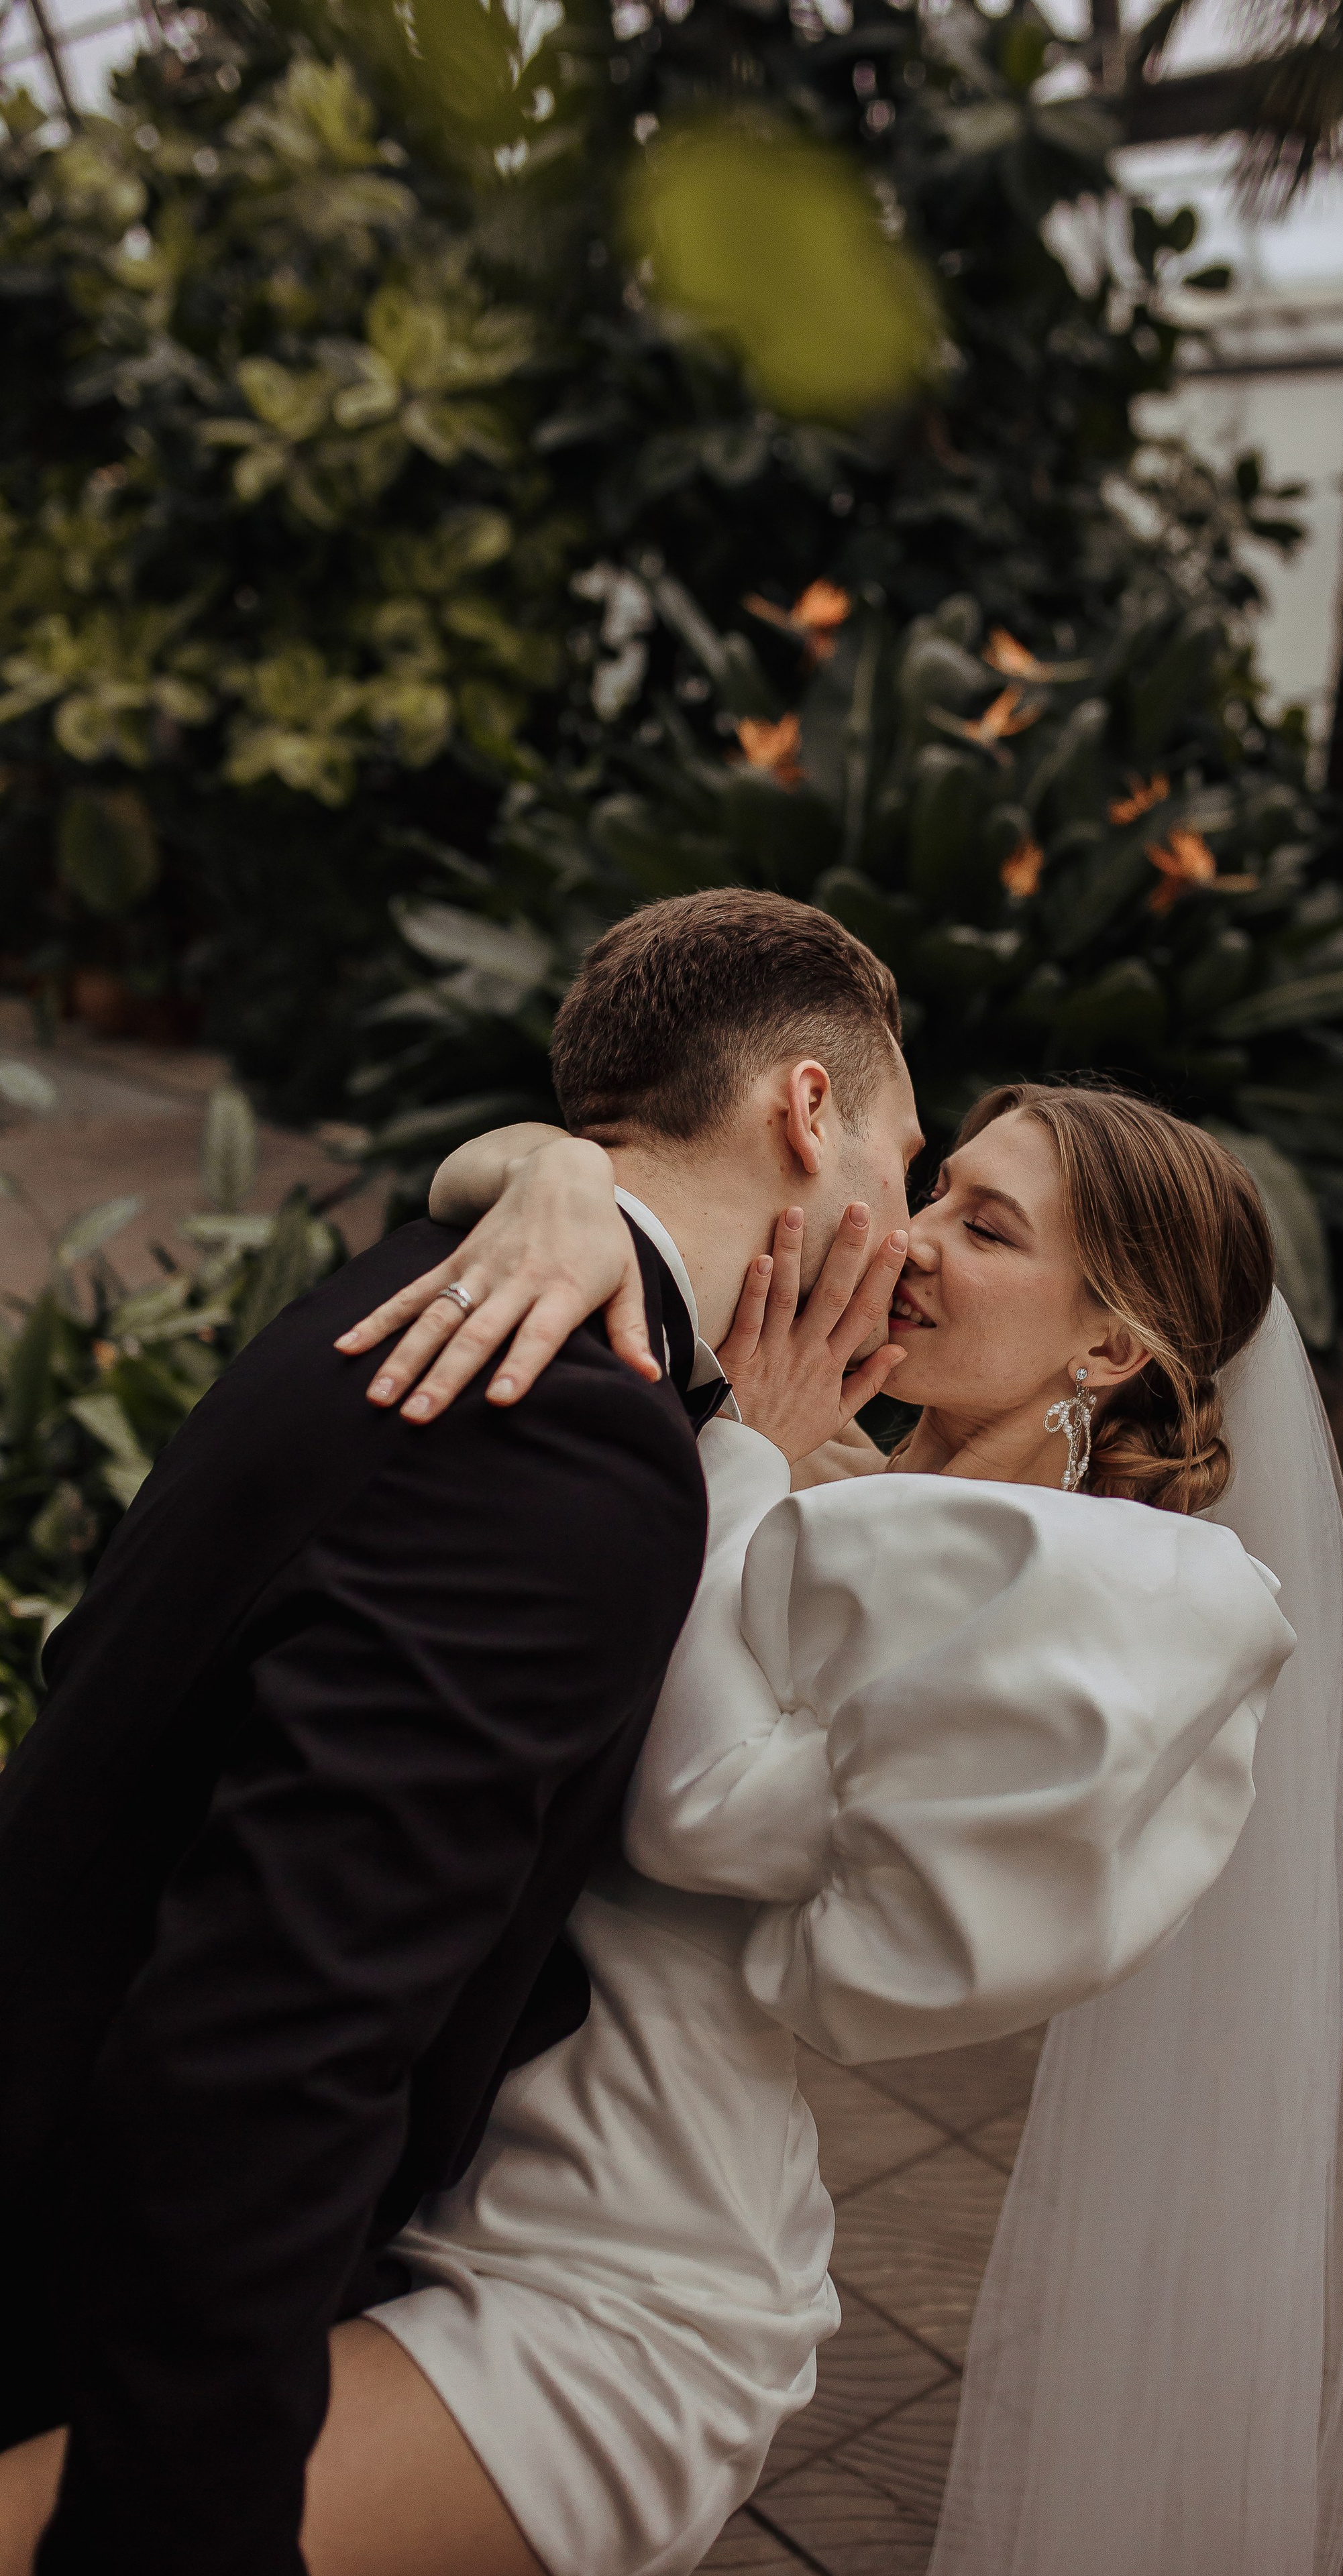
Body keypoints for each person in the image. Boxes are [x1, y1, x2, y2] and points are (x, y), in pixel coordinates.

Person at [220, 1078, 1343, 2575]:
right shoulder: (833, 1471)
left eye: (987, 1226)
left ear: (1101, 1343)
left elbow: (695, 1810)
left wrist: (740, 1451)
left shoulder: (1076, 1592)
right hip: (446, 2180)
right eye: (937, 1186)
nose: (914, 1238)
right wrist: (564, 1177)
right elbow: (582, 1193)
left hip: (609, 2278)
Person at [0, 889, 921, 2576]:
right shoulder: (559, 1444)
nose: (906, 1225)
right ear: (807, 1110)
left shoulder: (439, 1282)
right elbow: (269, 2055)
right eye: (903, 1156)